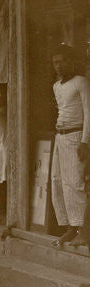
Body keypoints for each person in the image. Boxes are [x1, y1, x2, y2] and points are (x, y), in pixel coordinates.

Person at [50, 45, 89, 247]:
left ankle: (82, 229)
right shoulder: (57, 86)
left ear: (71, 62)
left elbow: (88, 112)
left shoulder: (81, 82)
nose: (59, 66)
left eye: (62, 61)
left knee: (75, 182)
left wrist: (85, 141)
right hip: (60, 137)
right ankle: (69, 227)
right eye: (55, 62)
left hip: (75, 136)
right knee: (57, 181)